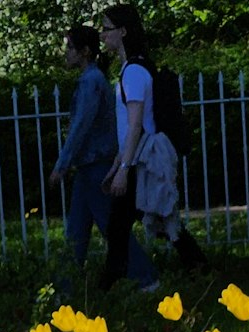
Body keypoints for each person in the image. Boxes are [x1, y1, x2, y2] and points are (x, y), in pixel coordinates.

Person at [99, 5, 205, 291]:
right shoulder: (133, 67)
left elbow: (136, 126)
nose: (102, 35)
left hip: (140, 160)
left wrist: (123, 169)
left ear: (122, 32)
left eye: (107, 28)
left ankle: (113, 287)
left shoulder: (133, 72)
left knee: (120, 226)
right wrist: (119, 162)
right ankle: (199, 269)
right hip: (136, 157)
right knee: (159, 217)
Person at [50, 23, 158, 293]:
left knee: (112, 228)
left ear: (85, 52)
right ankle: (64, 290)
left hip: (95, 166)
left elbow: (80, 127)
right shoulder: (92, 80)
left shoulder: (91, 82)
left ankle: (147, 279)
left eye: (71, 48)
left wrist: (61, 165)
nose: (67, 53)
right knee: (76, 230)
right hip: (88, 166)